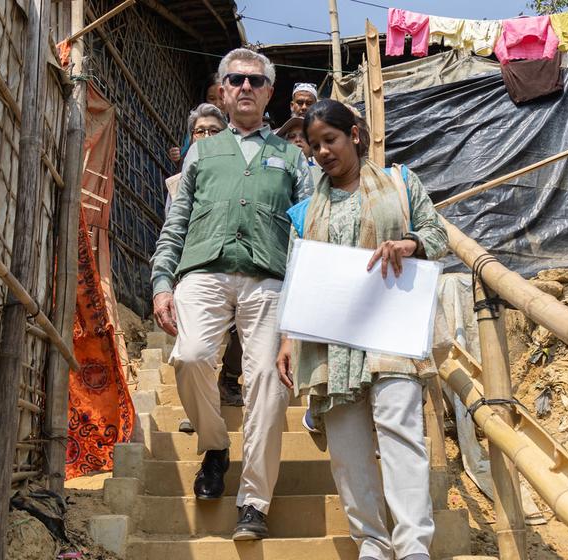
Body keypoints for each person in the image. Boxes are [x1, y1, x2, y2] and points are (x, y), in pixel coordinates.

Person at [150, 47, 312, 541]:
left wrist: (303, 301)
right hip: (202, 272)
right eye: (235, 80)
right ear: (222, 91)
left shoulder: (291, 157)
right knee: (192, 355)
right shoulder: (201, 152)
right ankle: (216, 446)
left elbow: (307, 230)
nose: (245, 87)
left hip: (269, 277)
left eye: (255, 81)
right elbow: (176, 223)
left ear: (269, 93)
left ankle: (254, 500)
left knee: (267, 378)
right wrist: (162, 281)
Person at [275, 98, 446, 560]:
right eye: (314, 146)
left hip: (392, 330)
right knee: (347, 447)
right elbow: (299, 278)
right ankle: (371, 541)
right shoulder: (305, 212)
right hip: (330, 342)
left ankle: (413, 546)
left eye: (329, 140)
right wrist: (289, 338)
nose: (322, 152)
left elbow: (436, 233)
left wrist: (410, 243)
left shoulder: (401, 182)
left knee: (401, 431)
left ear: (354, 134)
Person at [164, 104, 247, 432]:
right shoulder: (177, 183)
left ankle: (228, 380)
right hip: (195, 270)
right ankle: (200, 411)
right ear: (190, 138)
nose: (208, 137)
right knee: (195, 348)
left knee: (238, 334)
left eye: (216, 131)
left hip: (236, 267)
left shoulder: (240, 172)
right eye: (201, 132)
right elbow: (172, 227)